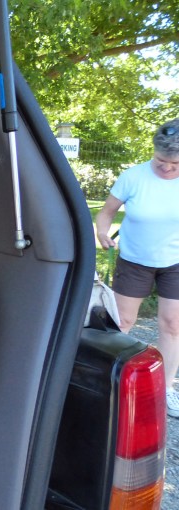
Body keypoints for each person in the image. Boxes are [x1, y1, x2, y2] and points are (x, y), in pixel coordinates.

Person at [96, 118, 179, 417]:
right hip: (134, 261)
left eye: (175, 163)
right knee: (123, 323)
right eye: (160, 160)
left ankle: (165, 388)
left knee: (173, 325)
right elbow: (107, 212)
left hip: (175, 263)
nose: (167, 168)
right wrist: (102, 232)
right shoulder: (133, 177)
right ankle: (114, 384)